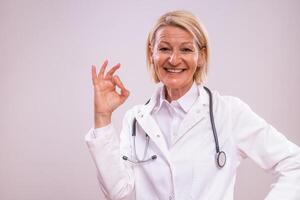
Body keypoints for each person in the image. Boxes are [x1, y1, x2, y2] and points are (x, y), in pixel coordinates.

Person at [85, 10, 300, 200]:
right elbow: (117, 192)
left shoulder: (229, 113)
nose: (174, 59)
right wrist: (102, 118)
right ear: (152, 54)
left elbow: (295, 165)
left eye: (186, 50)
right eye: (164, 48)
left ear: (201, 56)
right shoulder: (135, 120)